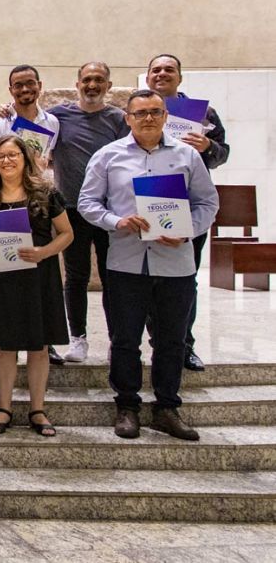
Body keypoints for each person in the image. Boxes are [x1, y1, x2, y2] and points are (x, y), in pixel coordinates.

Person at [79, 89, 218, 442]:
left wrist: (188, 231)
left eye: (155, 112)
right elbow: (87, 202)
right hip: (126, 263)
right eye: (140, 113)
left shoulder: (187, 155)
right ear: (127, 118)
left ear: (166, 116)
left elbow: (207, 203)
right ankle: (127, 406)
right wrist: (116, 221)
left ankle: (167, 408)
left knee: (171, 340)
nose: (148, 118)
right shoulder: (108, 156)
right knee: (125, 339)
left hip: (176, 264)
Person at [0, 135, 73, 437]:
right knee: (6, 345)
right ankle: (4, 407)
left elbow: (67, 234)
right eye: (0, 156)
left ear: (25, 158)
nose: (6, 161)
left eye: (13, 155)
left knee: (39, 345)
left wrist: (43, 252)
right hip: (4, 279)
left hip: (40, 277)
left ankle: (37, 409)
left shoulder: (46, 193)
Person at [147, 54, 230, 372]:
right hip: (149, 201)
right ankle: (155, 342)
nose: (162, 74)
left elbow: (222, 155)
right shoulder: (136, 110)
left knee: (185, 280)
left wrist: (207, 146)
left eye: (169, 69)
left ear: (180, 77)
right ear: (148, 76)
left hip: (189, 204)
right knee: (147, 280)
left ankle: (184, 345)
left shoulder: (203, 113)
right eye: (156, 69)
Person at [46, 62, 128, 363]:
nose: (92, 85)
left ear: (108, 85)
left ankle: (115, 339)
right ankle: (78, 338)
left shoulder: (118, 119)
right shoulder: (58, 116)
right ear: (77, 83)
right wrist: (6, 112)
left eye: (99, 80)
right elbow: (29, 130)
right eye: (87, 80)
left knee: (112, 277)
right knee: (76, 277)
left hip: (109, 211)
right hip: (71, 208)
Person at [0, 65, 60, 187]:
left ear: (39, 85)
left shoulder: (52, 123)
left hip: (38, 197)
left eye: (30, 83)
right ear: (11, 90)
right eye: (18, 85)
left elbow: (46, 162)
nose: (25, 89)